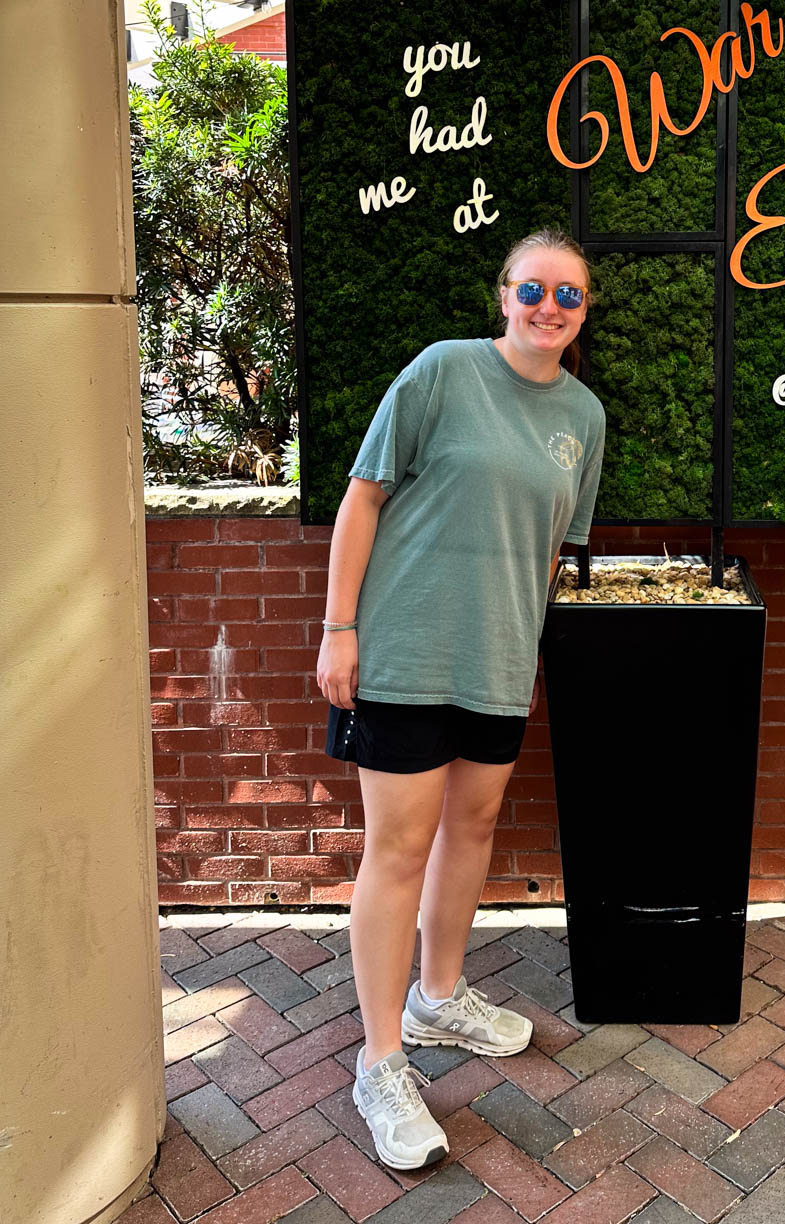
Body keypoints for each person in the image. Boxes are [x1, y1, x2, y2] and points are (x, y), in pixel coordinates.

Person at [315, 228, 606, 1171]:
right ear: (504, 294)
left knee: (471, 830)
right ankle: (382, 1061)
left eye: (568, 295)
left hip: (497, 661)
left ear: (583, 311)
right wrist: (338, 628)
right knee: (397, 850)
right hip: (402, 652)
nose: (548, 307)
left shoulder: (586, 418)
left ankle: (438, 998)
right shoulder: (442, 372)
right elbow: (363, 497)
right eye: (533, 289)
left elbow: (557, 548)